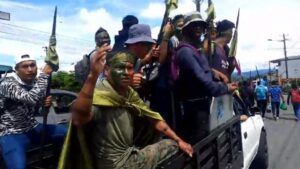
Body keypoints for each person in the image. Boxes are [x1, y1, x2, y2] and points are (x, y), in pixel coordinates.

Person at [59, 47, 193, 169]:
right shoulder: (101, 96)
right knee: (170, 145)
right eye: (120, 67)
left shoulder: (129, 94)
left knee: (161, 134)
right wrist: (92, 76)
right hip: (119, 165)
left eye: (129, 68)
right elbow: (79, 118)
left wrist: (179, 140)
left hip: (129, 154)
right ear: (106, 71)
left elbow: (154, 119)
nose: (125, 72)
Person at [174, 12, 237, 144]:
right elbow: (204, 81)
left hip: (202, 107)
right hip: (194, 111)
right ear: (185, 29)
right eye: (194, 25)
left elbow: (205, 69)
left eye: (200, 25)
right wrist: (226, 88)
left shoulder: (195, 49)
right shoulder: (185, 52)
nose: (198, 28)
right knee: (201, 148)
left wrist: (214, 72)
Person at [0, 54, 67, 169]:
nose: (30, 69)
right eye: (24, 66)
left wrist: (44, 105)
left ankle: (58, 163)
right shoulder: (7, 83)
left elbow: (37, 109)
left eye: (32, 65)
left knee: (66, 133)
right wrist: (44, 74)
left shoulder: (35, 83)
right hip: (11, 133)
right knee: (18, 166)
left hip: (32, 127)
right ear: (16, 70)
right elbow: (30, 99)